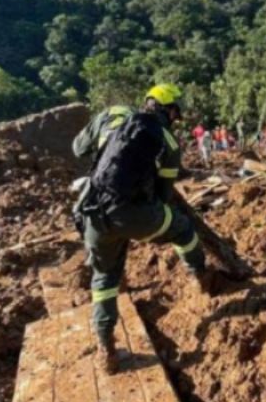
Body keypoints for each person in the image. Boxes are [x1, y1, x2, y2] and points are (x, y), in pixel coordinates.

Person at [72, 84, 221, 374]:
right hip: (135, 215)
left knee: (104, 279)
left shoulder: (112, 118)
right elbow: (165, 196)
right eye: (176, 113)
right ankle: (200, 276)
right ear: (169, 111)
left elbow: (78, 149)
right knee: (183, 229)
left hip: (92, 212)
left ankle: (107, 349)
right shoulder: (166, 139)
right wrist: (147, 217)